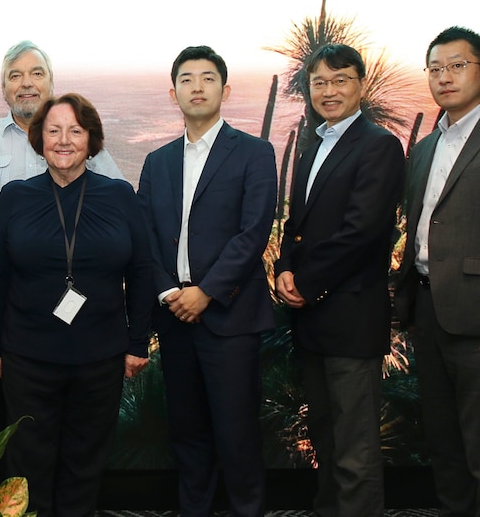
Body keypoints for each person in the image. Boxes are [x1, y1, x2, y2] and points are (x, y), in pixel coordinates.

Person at [0, 93, 152, 516]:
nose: (63, 140)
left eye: (75, 131)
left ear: (91, 139)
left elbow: (143, 271)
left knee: (85, 462)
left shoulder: (119, 196)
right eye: (53, 131)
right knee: (27, 464)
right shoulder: (15, 199)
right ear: (38, 139)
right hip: (27, 358)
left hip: (100, 357)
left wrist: (137, 342)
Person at [137, 46, 277, 517]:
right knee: (188, 435)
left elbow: (253, 231)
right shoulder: (157, 162)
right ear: (173, 92)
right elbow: (146, 237)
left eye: (208, 78)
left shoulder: (255, 153)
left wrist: (207, 291)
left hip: (230, 319)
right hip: (174, 317)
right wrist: (168, 292)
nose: (197, 87)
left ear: (225, 89)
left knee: (237, 436)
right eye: (187, 79)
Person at [275, 44, 405, 517]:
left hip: (351, 317)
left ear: (361, 84)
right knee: (327, 441)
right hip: (311, 322)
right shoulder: (312, 147)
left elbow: (362, 231)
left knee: (355, 450)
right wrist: (283, 268)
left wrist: (305, 282)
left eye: (340, 80)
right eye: (319, 82)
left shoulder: (378, 145)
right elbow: (296, 224)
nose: (329, 91)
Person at [393, 26, 480, 517]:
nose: (444, 77)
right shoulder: (424, 148)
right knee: (443, 442)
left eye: (457, 65)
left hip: (475, 311)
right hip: (427, 308)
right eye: (435, 69)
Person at [0, 40, 124, 200]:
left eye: (37, 74)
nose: (26, 83)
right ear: (3, 88)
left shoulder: (80, 139)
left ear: (51, 83)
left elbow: (119, 200)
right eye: (15, 76)